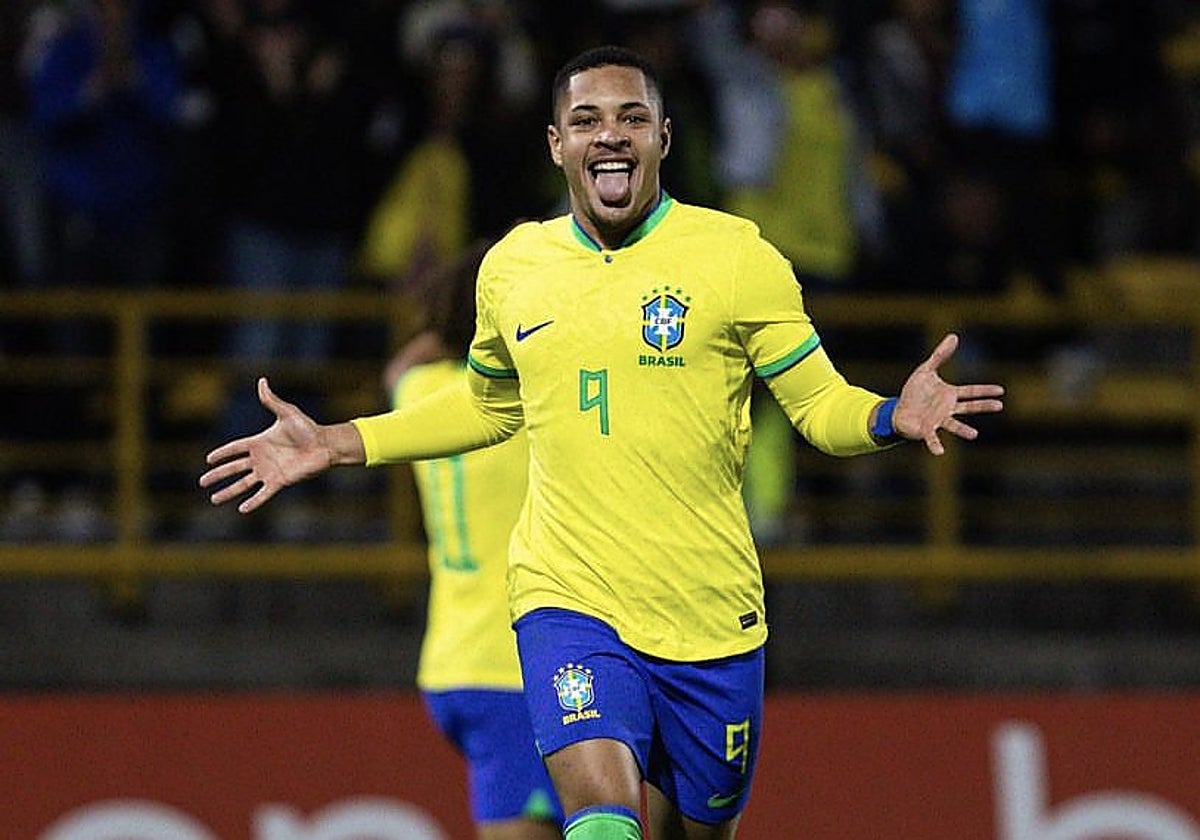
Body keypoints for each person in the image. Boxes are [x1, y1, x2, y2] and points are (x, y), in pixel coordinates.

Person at [201, 45, 1004, 840]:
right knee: (601, 819)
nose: (609, 135)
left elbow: (818, 407)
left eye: (631, 118)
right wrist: (337, 442)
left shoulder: (737, 257)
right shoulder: (514, 266)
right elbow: (487, 407)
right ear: (558, 146)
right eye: (586, 121)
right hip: (567, 600)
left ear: (662, 137)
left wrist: (888, 414)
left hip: (710, 618)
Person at [383, 241, 562, 839]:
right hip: (518, 671)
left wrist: (454, 322)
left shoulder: (422, 393)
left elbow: (400, 369)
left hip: (456, 660)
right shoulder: (525, 404)